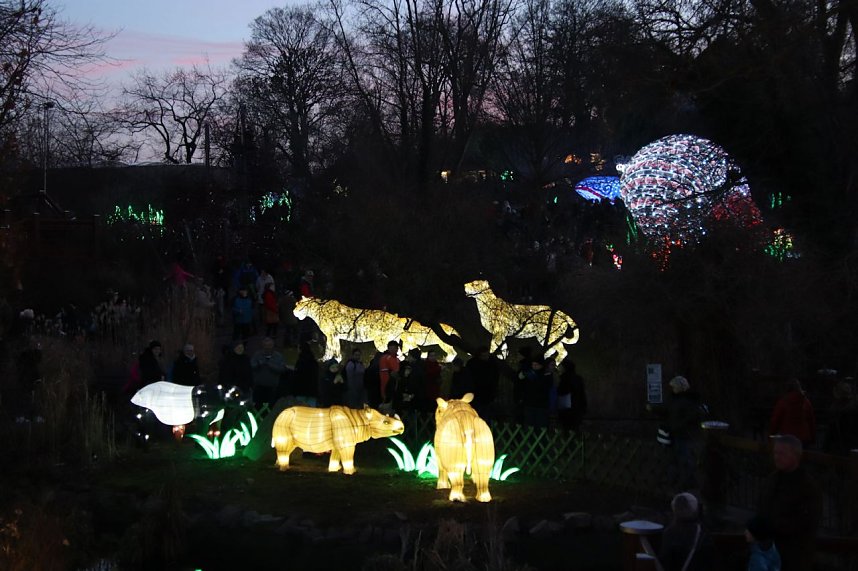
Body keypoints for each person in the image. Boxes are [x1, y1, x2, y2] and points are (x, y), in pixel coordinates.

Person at [757, 434, 821, 571]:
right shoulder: (771, 481)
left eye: (782, 453)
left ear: (795, 455)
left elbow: (806, 522)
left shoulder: (807, 487)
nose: (777, 457)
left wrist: (773, 526)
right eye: (775, 453)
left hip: (793, 557)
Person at [650, 375, 704, 490]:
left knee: (683, 460)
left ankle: (686, 483)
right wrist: (655, 409)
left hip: (683, 435)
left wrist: (676, 426)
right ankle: (676, 482)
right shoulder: (678, 400)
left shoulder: (687, 402)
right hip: (676, 434)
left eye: (674, 386)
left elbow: (687, 418)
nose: (672, 388)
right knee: (676, 459)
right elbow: (669, 412)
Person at [658, 492, 713, 571]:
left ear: (674, 510)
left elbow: (666, 561)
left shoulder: (669, 533)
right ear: (696, 510)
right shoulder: (703, 533)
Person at [769, 379, 816, 448]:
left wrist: (771, 434)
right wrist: (813, 438)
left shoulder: (783, 402)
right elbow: (811, 421)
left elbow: (775, 421)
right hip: (804, 438)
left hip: (788, 438)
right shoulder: (806, 402)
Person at [251, 337, 287, 409]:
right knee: (257, 406)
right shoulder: (257, 355)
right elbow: (251, 366)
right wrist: (259, 364)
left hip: (272, 386)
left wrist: (270, 365)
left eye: (269, 345)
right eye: (266, 345)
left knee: (271, 406)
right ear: (263, 346)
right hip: (259, 386)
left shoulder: (278, 356)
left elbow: (283, 369)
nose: (267, 348)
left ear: (273, 346)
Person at [823, 381, 858, 453]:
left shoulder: (835, 409)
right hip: (852, 448)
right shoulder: (853, 407)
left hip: (838, 447)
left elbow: (831, 432)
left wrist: (826, 448)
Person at [466, 346, 500, 420]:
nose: (486, 357)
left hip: (487, 394)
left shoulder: (492, 364)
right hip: (476, 394)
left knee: (485, 415)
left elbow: (495, 378)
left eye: (487, 355)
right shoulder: (472, 364)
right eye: (484, 356)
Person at [557, 357, 588, 431]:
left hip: (568, 409)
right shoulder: (577, 378)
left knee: (567, 428)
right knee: (574, 428)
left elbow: (562, 391)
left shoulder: (565, 379)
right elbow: (581, 393)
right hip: (576, 408)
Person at [523, 356, 552, 428]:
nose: (534, 366)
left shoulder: (547, 375)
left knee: (540, 426)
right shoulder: (529, 374)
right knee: (529, 425)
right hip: (530, 403)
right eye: (533, 365)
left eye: (536, 365)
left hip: (541, 405)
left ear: (541, 365)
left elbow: (544, 387)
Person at [291, 341, 319, 406]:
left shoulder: (301, 361)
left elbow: (297, 376)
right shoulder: (313, 361)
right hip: (312, 390)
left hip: (301, 390)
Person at [379, 340, 400, 404]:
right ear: (388, 348)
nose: (393, 350)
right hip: (387, 385)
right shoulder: (385, 358)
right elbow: (389, 373)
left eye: (395, 348)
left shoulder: (397, 359)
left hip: (394, 385)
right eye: (391, 348)